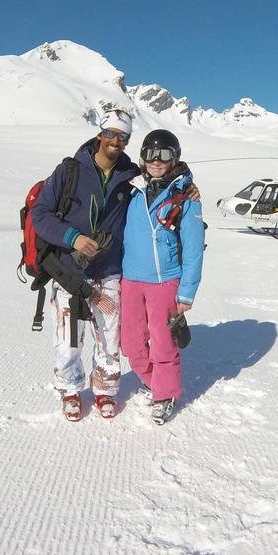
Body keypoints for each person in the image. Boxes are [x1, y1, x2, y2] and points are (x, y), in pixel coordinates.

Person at [29, 110, 139, 422]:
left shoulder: (129, 177)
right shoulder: (70, 171)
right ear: (100, 133)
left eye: (124, 137)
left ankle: (105, 390)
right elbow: (40, 215)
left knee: (109, 338)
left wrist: (189, 186)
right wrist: (72, 238)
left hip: (108, 272)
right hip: (68, 272)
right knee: (68, 341)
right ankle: (70, 389)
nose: (117, 141)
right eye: (113, 134)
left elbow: (163, 176)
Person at [120, 129, 205, 425]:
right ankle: (155, 381)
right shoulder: (131, 189)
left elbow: (194, 250)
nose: (157, 161)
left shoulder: (186, 197)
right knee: (130, 343)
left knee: (162, 342)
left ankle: (164, 394)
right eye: (151, 154)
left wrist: (186, 293)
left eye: (164, 155)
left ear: (175, 158)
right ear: (142, 158)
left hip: (164, 281)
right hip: (130, 279)